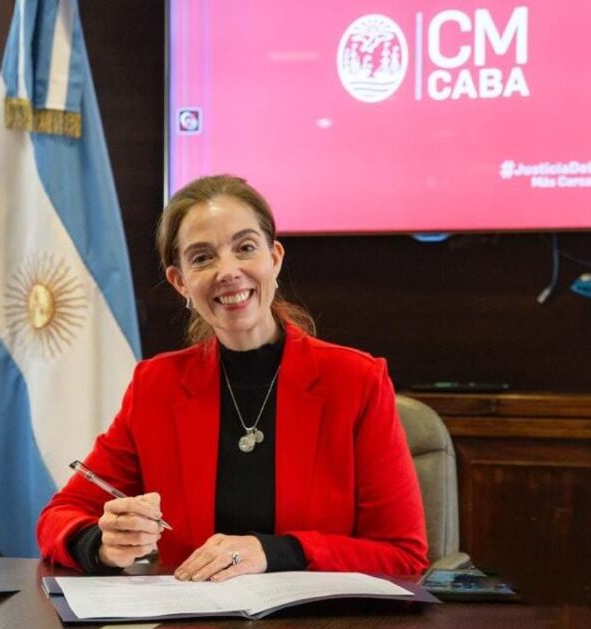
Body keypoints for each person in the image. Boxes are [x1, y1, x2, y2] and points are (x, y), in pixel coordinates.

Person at [37, 174, 428, 580]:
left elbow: (403, 555)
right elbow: (59, 515)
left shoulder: (356, 381)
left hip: (322, 619)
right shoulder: (157, 386)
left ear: (274, 258)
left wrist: (275, 552)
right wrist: (103, 544)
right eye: (202, 258)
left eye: (245, 248)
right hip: (193, 617)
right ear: (180, 282)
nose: (227, 271)